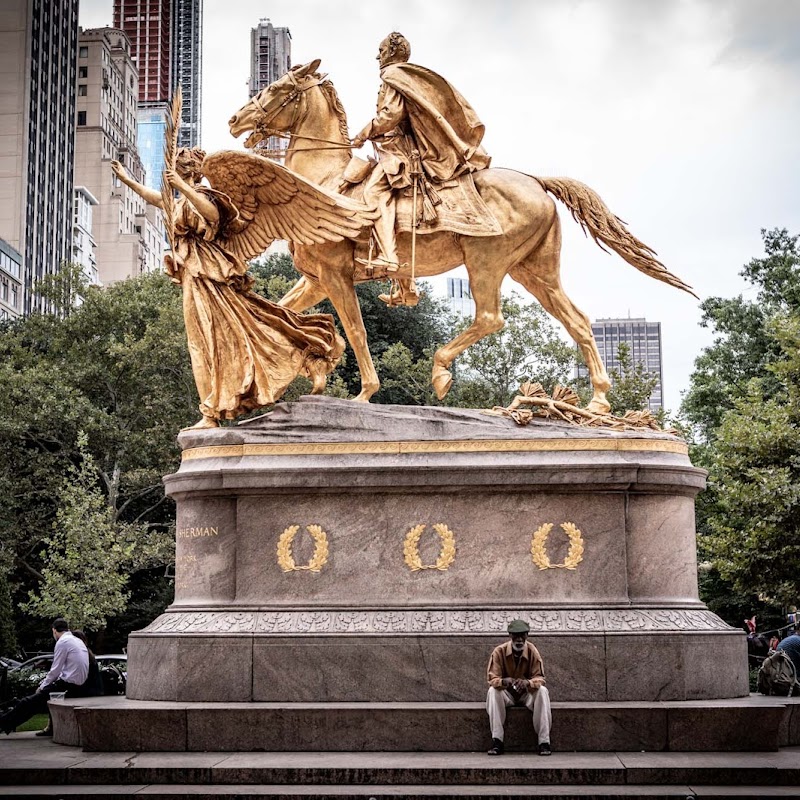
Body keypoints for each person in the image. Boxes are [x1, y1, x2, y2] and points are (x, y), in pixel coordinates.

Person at [111, 148, 345, 430]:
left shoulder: (207, 196)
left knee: (220, 338)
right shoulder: (180, 200)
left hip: (210, 276)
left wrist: (182, 186)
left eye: (182, 165)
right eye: (175, 165)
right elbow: (158, 199)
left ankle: (304, 357)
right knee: (209, 341)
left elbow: (211, 216)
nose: (177, 168)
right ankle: (211, 410)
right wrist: (127, 180)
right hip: (194, 276)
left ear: (194, 170)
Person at [351, 32, 490, 307]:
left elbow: (390, 115)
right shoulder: (404, 75)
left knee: (374, 192)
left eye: (380, 51)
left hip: (402, 151)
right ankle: (405, 285)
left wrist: (364, 132)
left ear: (391, 52)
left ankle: (389, 257)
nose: (377, 57)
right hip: (400, 146)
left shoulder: (392, 75)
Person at [0, 619, 91, 735]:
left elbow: (55, 670)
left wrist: (42, 686)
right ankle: (8, 724)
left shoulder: (63, 642)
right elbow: (64, 671)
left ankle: (3, 724)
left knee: (27, 703)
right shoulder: (77, 640)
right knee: (33, 703)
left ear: (54, 630)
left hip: (68, 686)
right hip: (78, 685)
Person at [485, 619, 552, 756]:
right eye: (516, 636)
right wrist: (504, 681)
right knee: (492, 692)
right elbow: (492, 678)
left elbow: (540, 677)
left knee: (543, 692)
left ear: (527, 635)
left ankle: (544, 742)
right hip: (507, 695)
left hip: (526, 695)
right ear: (510, 636)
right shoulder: (499, 651)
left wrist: (528, 683)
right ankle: (497, 741)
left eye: (523, 635)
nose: (519, 639)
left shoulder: (532, 651)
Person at [34, 629, 104, 737]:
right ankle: (53, 726)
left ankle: (51, 727)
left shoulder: (82, 656)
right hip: (92, 689)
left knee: (54, 696)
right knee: (55, 694)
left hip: (86, 691)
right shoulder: (88, 654)